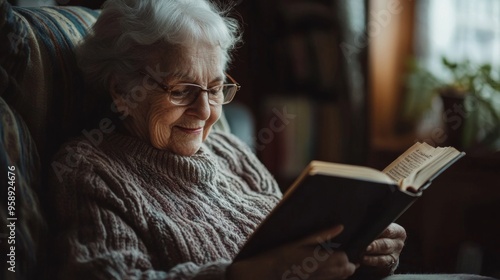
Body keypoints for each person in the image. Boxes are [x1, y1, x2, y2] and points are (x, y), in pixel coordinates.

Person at [49, 1, 491, 280]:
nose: (206, 114)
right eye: (181, 90)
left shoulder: (228, 150)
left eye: (217, 88)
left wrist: (368, 251)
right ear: (121, 90)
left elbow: (293, 238)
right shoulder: (90, 169)